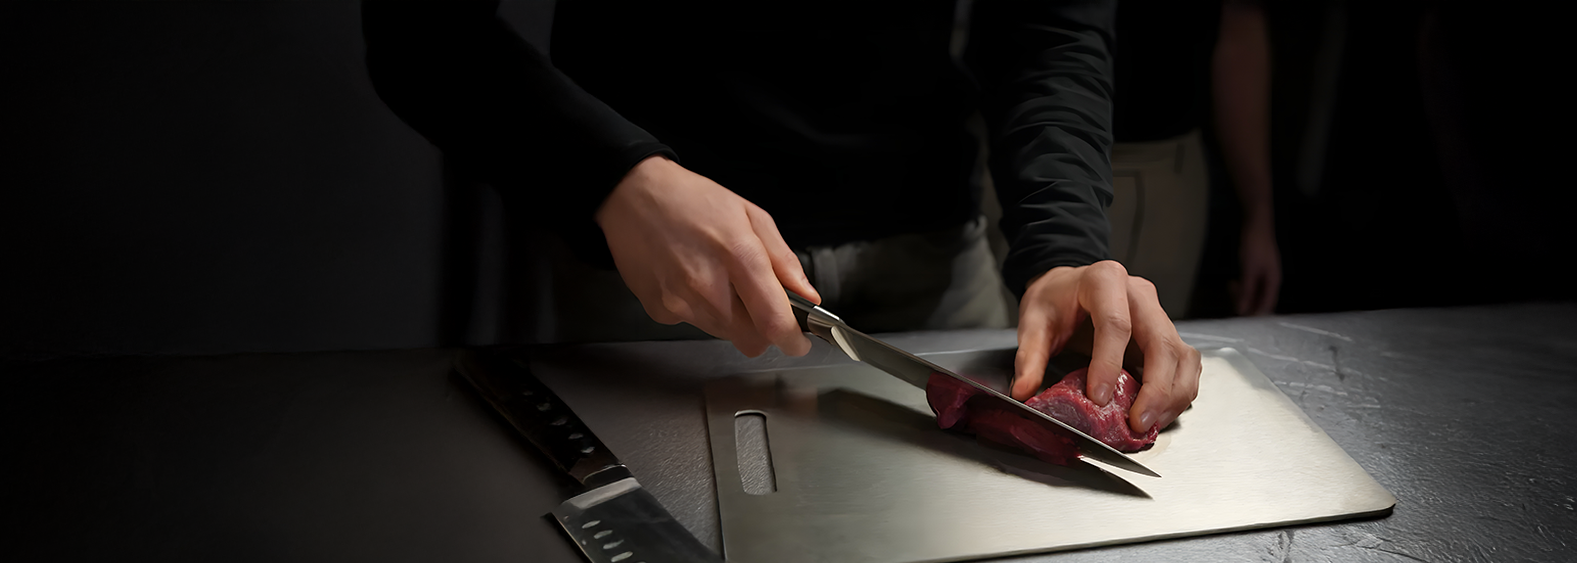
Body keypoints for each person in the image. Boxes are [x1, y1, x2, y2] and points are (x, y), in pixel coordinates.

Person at [363, 1, 1199, 432]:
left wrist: (1062, 247)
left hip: (936, 260)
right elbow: (421, 32)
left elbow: (1049, 27)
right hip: (665, 279)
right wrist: (616, 176)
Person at [1106, 0, 1283, 319]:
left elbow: (1240, 33)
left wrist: (1260, 216)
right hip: (1033, 153)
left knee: (1152, 334)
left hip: (1160, 168)